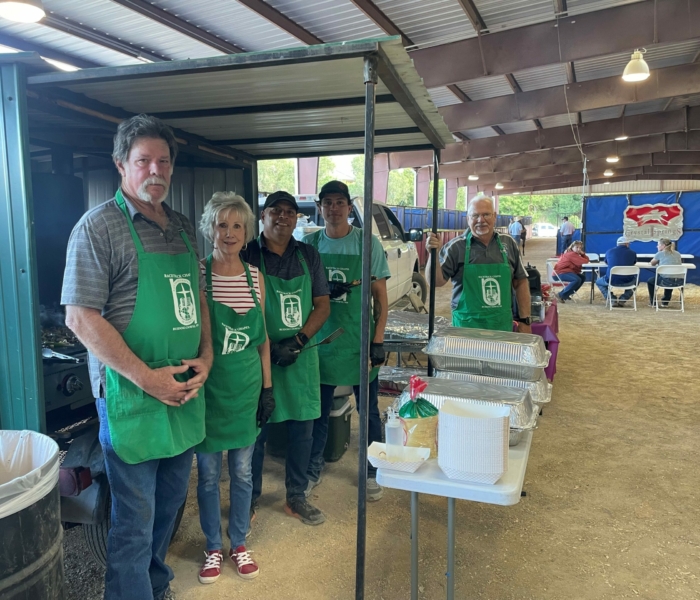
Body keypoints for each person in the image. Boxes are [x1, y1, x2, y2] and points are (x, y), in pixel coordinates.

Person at [62, 114, 213, 600]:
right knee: (134, 513)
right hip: (133, 395)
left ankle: (154, 582)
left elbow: (200, 300)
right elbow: (81, 319)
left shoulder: (185, 228)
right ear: (120, 165)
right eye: (143, 160)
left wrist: (207, 356)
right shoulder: (98, 227)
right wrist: (149, 379)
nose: (155, 170)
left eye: (163, 161)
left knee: (169, 504)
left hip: (185, 389)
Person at [195, 193, 276, 585]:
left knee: (242, 473)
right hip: (210, 391)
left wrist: (267, 388)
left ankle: (239, 542)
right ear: (210, 228)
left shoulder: (254, 277)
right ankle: (213, 546)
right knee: (209, 475)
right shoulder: (199, 275)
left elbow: (262, 340)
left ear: (247, 233)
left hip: (246, 390)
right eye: (221, 224)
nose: (229, 233)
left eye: (237, 226)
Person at [241, 191, 331, 526]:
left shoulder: (309, 255)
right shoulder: (248, 253)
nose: (283, 217)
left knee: (302, 433)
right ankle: (248, 499)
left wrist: (298, 339)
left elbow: (322, 304)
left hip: (300, 358)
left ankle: (296, 496)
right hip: (258, 358)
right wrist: (266, 343)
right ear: (263, 217)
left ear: (297, 218)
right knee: (256, 432)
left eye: (290, 212)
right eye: (275, 211)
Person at [303, 180, 391, 503]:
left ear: (349, 208)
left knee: (368, 412)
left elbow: (380, 298)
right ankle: (312, 470)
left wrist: (377, 341)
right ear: (320, 207)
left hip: (358, 343)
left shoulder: (367, 244)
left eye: (340, 202)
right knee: (318, 412)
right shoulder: (309, 245)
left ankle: (371, 471)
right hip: (322, 345)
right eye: (328, 202)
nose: (334, 208)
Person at [425, 194, 532, 333]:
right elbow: (435, 282)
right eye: (475, 215)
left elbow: (520, 282)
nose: (481, 220)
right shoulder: (456, 247)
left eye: (486, 214)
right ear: (468, 218)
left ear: (494, 216)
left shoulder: (508, 243)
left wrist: (525, 320)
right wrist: (432, 254)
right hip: (466, 327)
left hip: (500, 326)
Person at [595, 236, 637, 307]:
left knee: (598, 282)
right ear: (627, 244)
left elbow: (606, 262)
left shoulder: (609, 251)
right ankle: (623, 299)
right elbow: (633, 262)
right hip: (628, 281)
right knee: (636, 281)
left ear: (617, 244)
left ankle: (612, 299)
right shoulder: (632, 253)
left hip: (611, 280)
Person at [646, 238, 683, 308]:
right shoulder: (678, 254)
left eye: (658, 245)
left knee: (651, 281)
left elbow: (652, 263)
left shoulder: (660, 254)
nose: (657, 246)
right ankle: (665, 302)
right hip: (679, 281)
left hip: (665, 281)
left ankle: (653, 302)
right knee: (670, 277)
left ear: (663, 245)